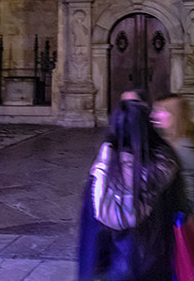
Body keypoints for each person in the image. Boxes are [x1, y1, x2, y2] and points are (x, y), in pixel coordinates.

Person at [77, 98, 186, 281]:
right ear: (148, 128)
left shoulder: (102, 171)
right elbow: (178, 208)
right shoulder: (165, 166)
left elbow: (90, 230)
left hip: (112, 267)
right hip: (152, 262)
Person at [152, 94, 194, 213]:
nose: (154, 115)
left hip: (184, 204)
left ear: (174, 116)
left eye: (160, 112)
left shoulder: (181, 147)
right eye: (155, 111)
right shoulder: (167, 140)